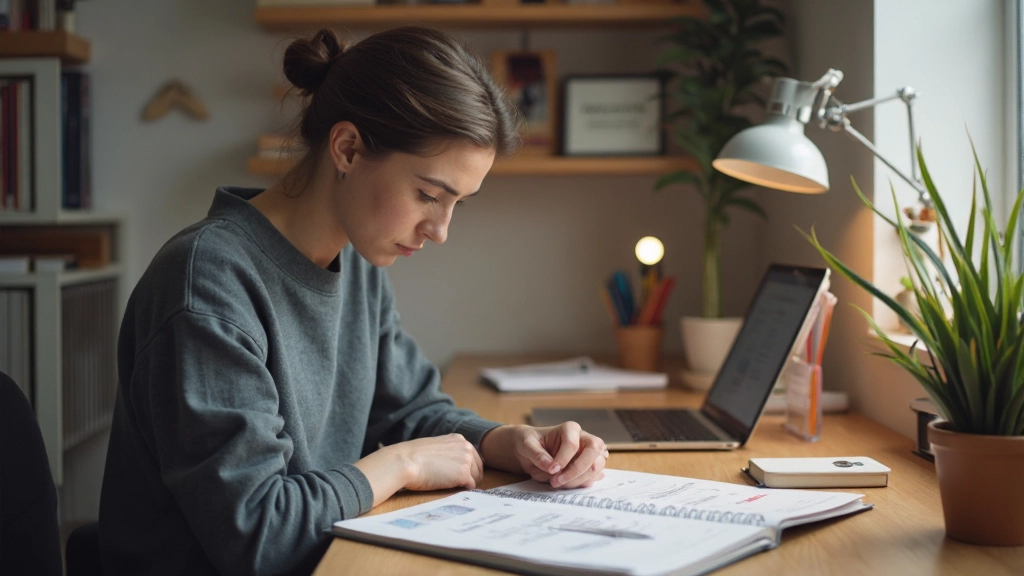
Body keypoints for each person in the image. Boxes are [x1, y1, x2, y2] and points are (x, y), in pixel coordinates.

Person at [99, 26, 608, 576]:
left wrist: (514, 443)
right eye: (429, 195)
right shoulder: (207, 284)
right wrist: (403, 464)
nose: (440, 231)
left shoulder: (358, 260)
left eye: (458, 202)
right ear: (348, 148)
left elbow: (411, 411)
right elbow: (258, 534)